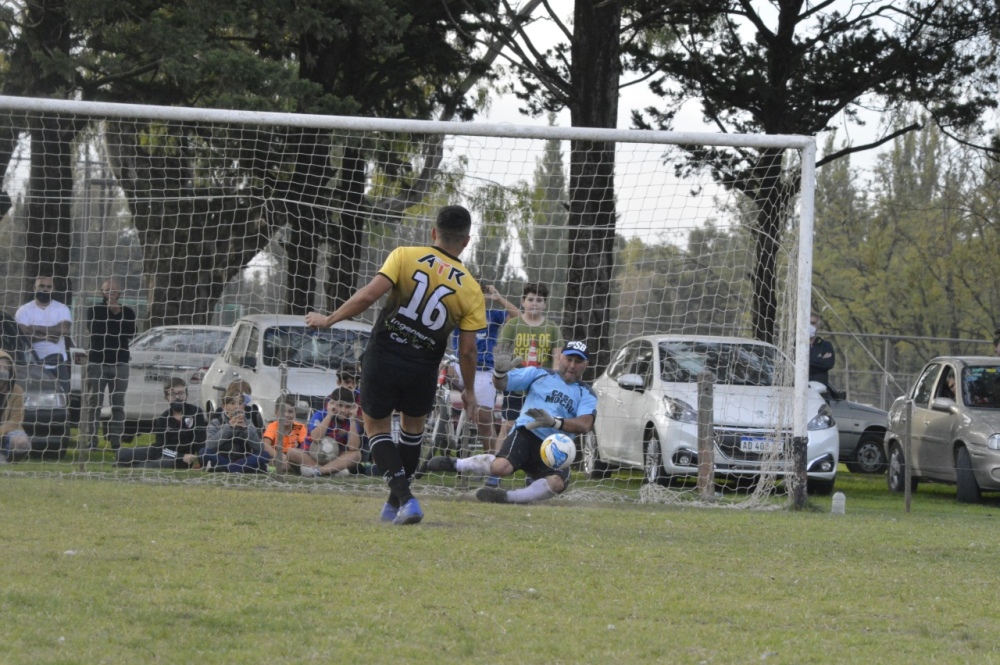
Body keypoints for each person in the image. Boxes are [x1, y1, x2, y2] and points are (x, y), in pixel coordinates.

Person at [305, 204, 486, 525]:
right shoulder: (471, 288)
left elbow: (367, 296)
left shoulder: (405, 255)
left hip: (384, 357)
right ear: (466, 241)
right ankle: (394, 506)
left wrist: (329, 319)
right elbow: (469, 351)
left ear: (433, 232)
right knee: (412, 433)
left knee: (377, 429)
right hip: (424, 368)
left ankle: (405, 499)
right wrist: (469, 391)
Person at [426, 340, 597, 504]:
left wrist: (554, 422)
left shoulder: (586, 393)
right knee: (501, 467)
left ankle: (508, 498)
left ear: (586, 364)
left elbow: (584, 424)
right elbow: (502, 384)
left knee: (557, 483)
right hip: (527, 433)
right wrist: (499, 373)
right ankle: (457, 463)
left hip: (556, 447)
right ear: (561, 358)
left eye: (578, 361)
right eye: (569, 359)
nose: (572, 365)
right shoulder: (539, 374)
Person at [494, 283, 565, 461]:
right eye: (531, 299)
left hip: (540, 390)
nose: (535, 303)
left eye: (539, 300)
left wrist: (554, 383)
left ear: (545, 304)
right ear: (523, 302)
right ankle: (496, 468)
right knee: (508, 425)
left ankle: (536, 471)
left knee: (539, 428)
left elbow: (557, 359)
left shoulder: (552, 328)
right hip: (515, 386)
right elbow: (502, 354)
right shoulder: (513, 326)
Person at [450, 284, 520, 457]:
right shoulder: (459, 312)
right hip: (459, 365)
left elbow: (519, 318)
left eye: (481, 294)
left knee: (484, 420)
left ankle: (491, 461)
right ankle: (444, 415)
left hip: (483, 370)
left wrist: (498, 298)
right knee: (444, 369)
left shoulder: (492, 316)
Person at [83, 278, 137, 450]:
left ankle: (116, 442)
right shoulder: (94, 310)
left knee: (118, 405)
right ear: (102, 292)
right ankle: (91, 441)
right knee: (94, 404)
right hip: (97, 362)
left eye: (114, 291)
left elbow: (130, 332)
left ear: (119, 293)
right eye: (107, 291)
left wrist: (117, 314)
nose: (111, 294)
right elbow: (97, 331)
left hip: (120, 363)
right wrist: (113, 318)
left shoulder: (127, 311)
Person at [116, 378, 208, 469]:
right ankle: (124, 463)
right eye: (172, 394)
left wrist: (201, 461)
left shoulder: (195, 412)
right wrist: (179, 455)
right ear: (166, 398)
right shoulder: (163, 418)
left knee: (162, 463)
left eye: (181, 393)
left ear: (186, 395)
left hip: (180, 460)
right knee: (122, 454)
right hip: (163, 452)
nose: (177, 397)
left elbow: (200, 442)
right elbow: (161, 448)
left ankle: (134, 466)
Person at [15, 274, 72, 394]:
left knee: (63, 398)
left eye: (48, 286)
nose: (45, 289)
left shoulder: (62, 308)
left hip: (58, 363)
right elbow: (24, 334)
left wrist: (35, 328)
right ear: (34, 288)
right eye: (41, 286)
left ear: (53, 289)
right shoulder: (24, 310)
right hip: (32, 364)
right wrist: (51, 336)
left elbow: (64, 330)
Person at [292, 387, 363, 477]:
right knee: (292, 453)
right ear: (332, 404)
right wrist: (329, 415)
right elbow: (316, 438)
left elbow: (353, 447)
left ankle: (319, 471)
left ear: (353, 407)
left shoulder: (351, 421)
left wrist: (353, 419)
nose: (343, 410)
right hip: (310, 455)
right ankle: (332, 471)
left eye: (347, 407)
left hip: (334, 459)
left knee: (357, 455)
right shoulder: (320, 414)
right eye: (340, 405)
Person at [195, 395, 268, 473]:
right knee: (203, 451)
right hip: (223, 459)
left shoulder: (248, 422)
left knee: (265, 455)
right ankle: (236, 468)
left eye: (240, 403)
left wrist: (246, 429)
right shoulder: (216, 422)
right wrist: (229, 427)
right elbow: (210, 445)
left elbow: (259, 447)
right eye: (232, 403)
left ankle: (228, 469)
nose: (237, 407)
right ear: (224, 407)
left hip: (243, 460)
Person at [261, 396, 310, 473]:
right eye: (283, 411)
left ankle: (294, 468)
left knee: (296, 454)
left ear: (295, 413)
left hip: (293, 459)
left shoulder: (300, 427)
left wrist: (297, 449)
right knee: (266, 457)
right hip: (277, 457)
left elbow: (305, 449)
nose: (286, 415)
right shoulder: (272, 426)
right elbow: (265, 446)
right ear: (276, 413)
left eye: (290, 411)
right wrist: (282, 457)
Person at [0, 350, 31, 464]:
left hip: (8, 432)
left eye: (5, 368)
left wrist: (1, 431)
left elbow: (16, 421)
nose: (2, 371)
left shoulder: (17, 391)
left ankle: (9, 458)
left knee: (21, 442)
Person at [808, 313, 836, 390]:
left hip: (820, 390)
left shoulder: (825, 345)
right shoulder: (796, 345)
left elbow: (828, 364)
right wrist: (819, 361)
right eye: (806, 323)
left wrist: (806, 363)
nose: (809, 326)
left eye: (813, 323)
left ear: (818, 326)